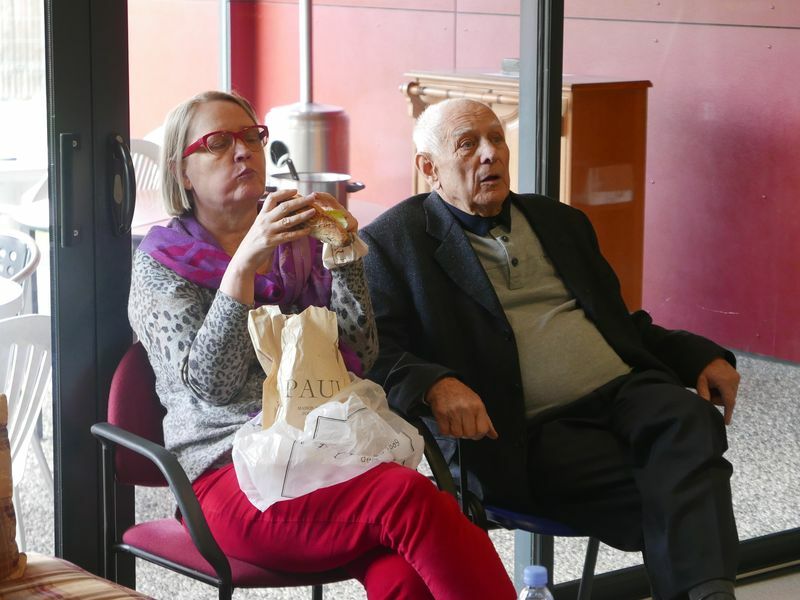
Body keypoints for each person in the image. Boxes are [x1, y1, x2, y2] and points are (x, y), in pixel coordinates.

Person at [128, 90, 516, 600]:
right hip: (227, 478)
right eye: (219, 142)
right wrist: (243, 267)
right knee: (407, 497)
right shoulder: (161, 264)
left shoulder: (298, 242)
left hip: (324, 448)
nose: (243, 151)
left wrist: (344, 254)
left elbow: (359, 356)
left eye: (251, 137)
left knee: (405, 572)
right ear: (182, 172)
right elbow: (214, 386)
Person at [361, 98, 740, 600]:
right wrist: (435, 384)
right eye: (468, 144)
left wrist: (697, 355)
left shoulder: (559, 221)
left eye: (496, 138)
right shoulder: (391, 243)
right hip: (525, 428)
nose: (491, 154)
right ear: (429, 168)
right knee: (686, 480)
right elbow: (373, 354)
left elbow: (620, 324)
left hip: (625, 390)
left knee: (690, 418)